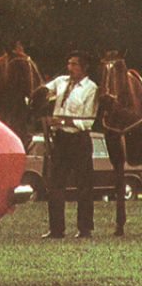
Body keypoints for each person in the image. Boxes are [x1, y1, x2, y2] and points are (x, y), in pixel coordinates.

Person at [39, 50, 99, 239]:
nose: (70, 68)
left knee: (84, 185)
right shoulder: (61, 82)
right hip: (61, 140)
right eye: (69, 63)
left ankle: (85, 229)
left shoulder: (91, 88)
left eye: (74, 64)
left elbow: (87, 121)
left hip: (78, 140)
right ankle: (56, 229)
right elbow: (43, 92)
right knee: (56, 184)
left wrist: (62, 121)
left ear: (84, 67)